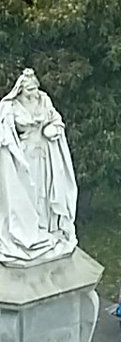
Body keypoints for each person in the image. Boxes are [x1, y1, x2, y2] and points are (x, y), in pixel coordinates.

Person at [0, 68, 78, 266]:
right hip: (23, 158)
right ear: (20, 89)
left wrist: (53, 129)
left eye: (35, 88)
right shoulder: (11, 107)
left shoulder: (43, 100)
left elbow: (56, 120)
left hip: (44, 154)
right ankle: (29, 230)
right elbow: (5, 133)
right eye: (29, 89)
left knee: (44, 192)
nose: (33, 92)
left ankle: (45, 227)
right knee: (27, 193)